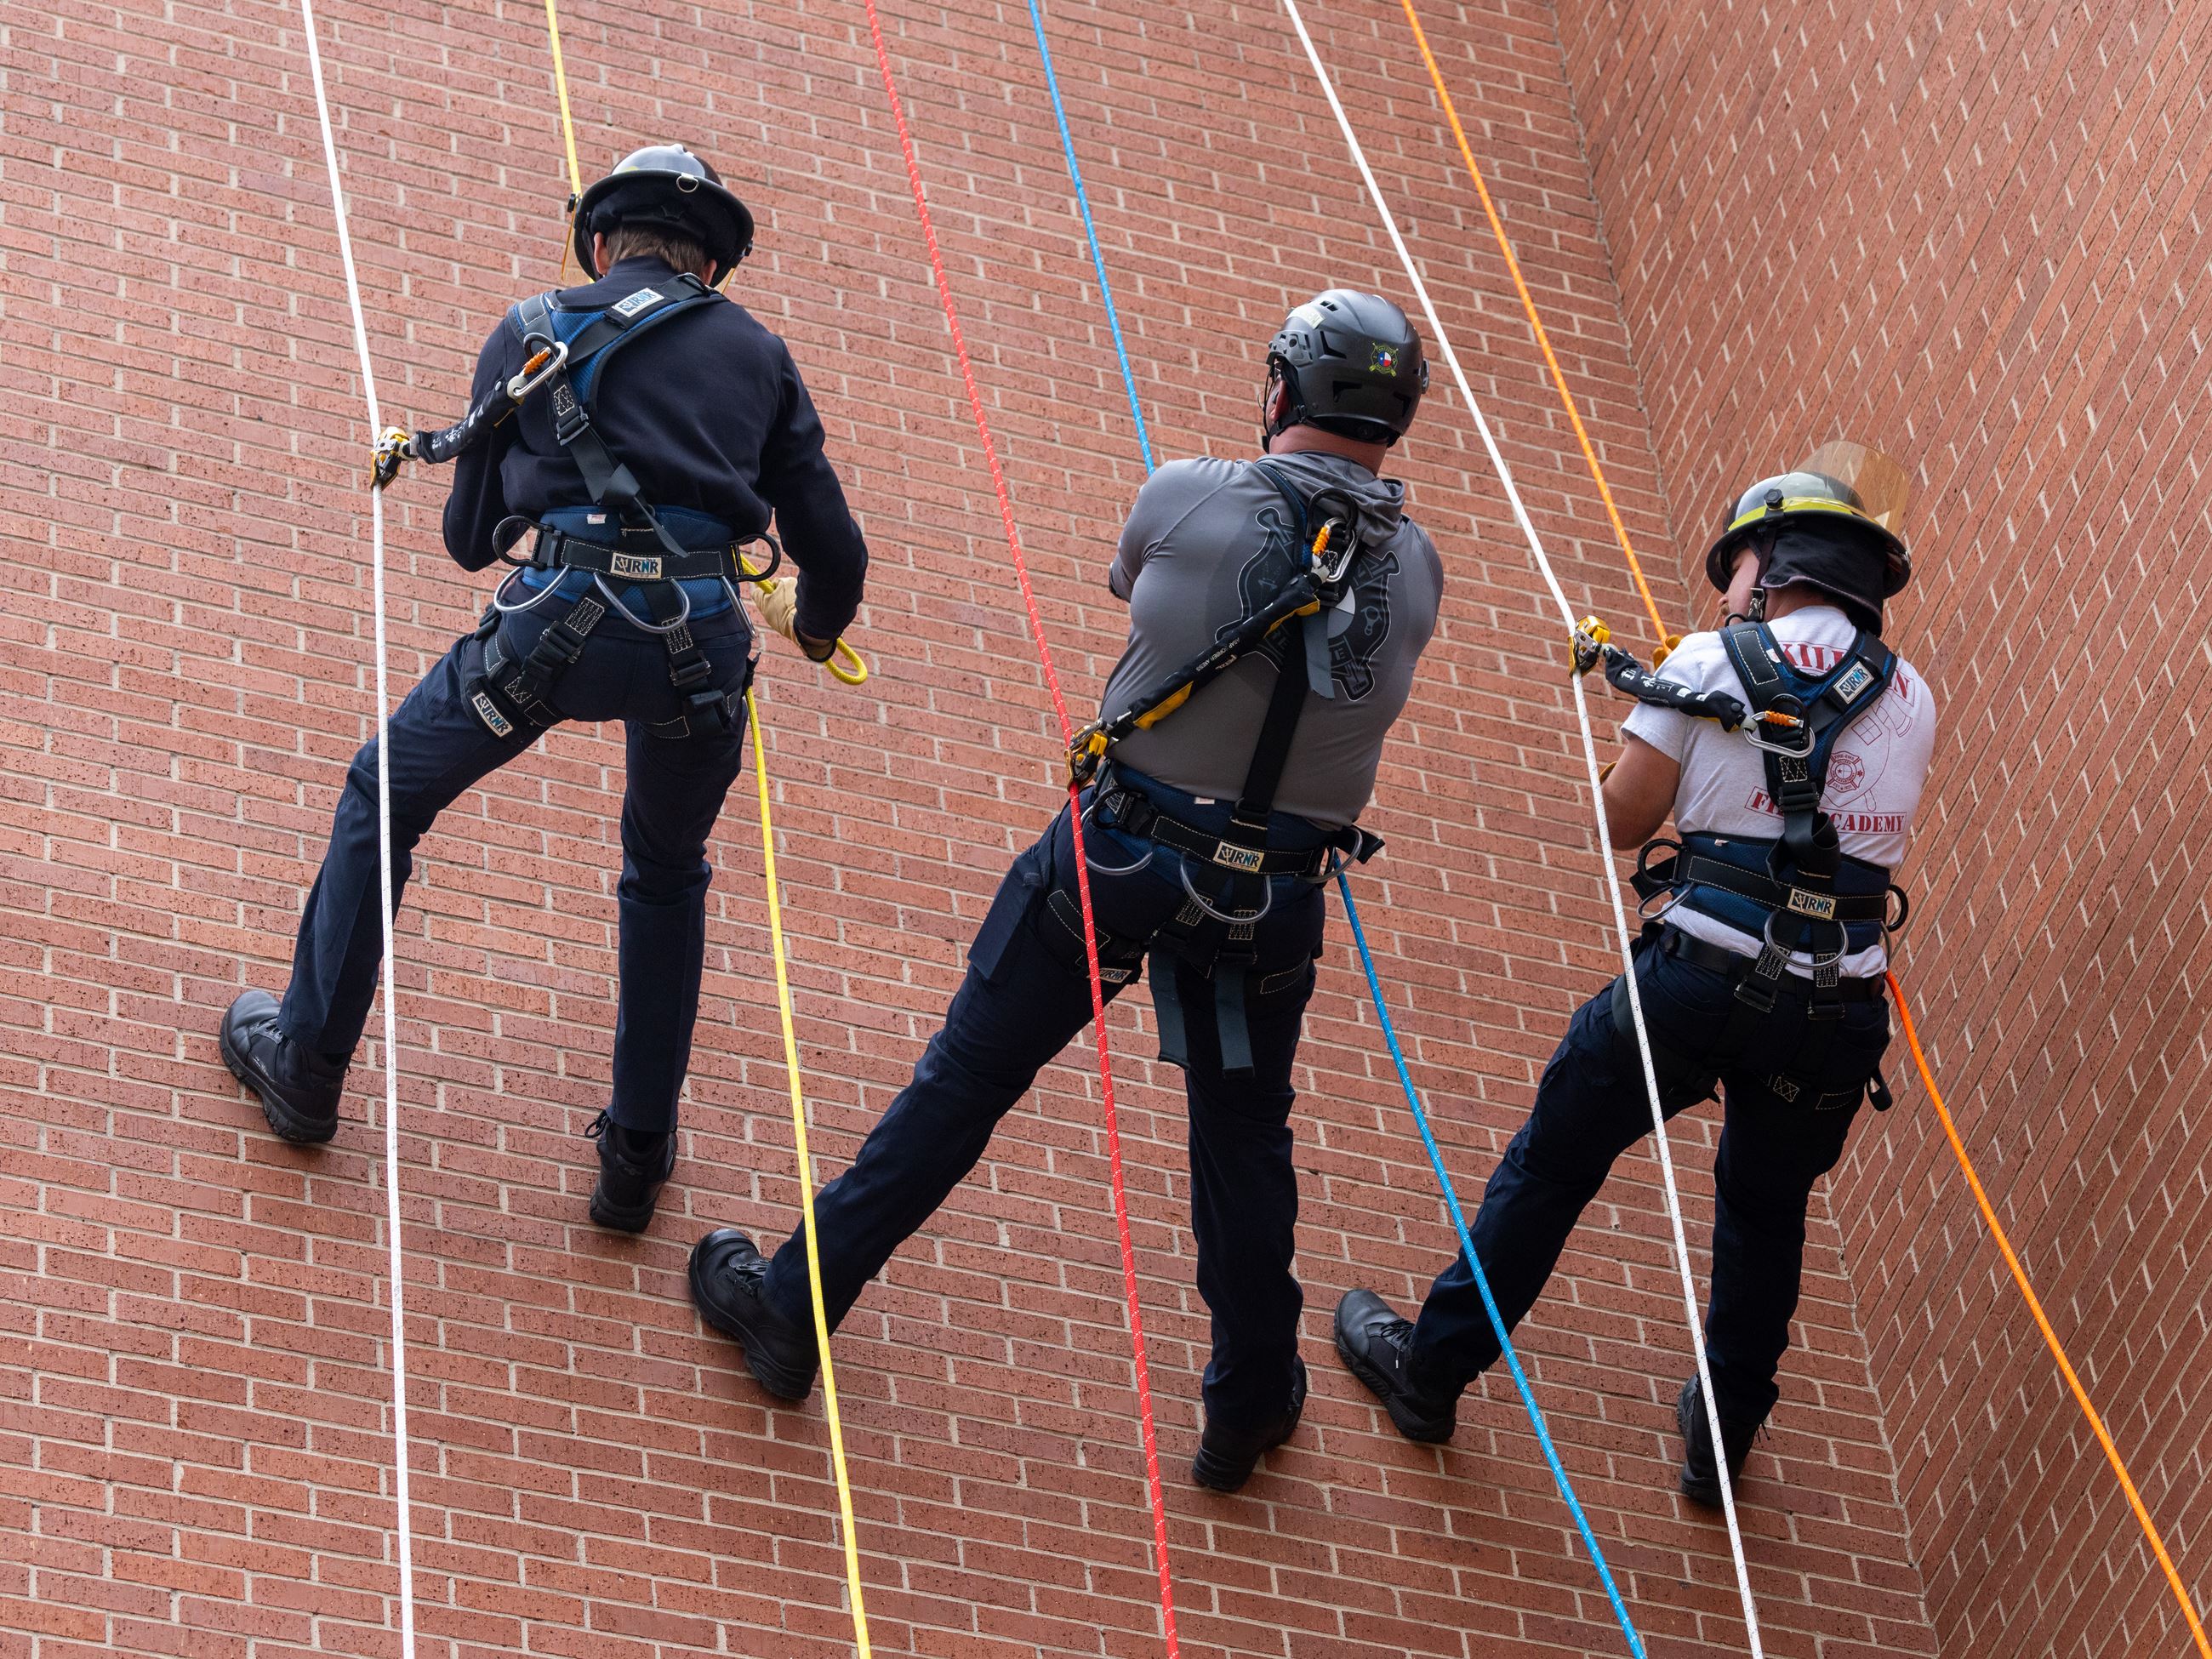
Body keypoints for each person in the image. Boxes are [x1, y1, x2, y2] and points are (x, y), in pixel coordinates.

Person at [686, 290, 1443, 1492]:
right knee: (1241, 1141)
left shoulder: (1192, 489)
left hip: (1122, 856)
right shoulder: (1420, 569)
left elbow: (1130, 582)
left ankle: (794, 1305)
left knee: (968, 1080)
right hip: (1270, 898)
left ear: (1281, 392)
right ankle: (1249, 1402)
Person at [219, 144, 868, 1234]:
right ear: (709, 266)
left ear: (602, 243)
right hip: (700, 651)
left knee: (388, 792)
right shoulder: (760, 358)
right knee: (664, 877)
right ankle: (634, 1162)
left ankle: (307, 1067)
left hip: (551, 633)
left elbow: (470, 541)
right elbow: (835, 552)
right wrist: (809, 627)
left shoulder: (534, 328)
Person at [1334, 447, 1936, 1507]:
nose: (1723, 589)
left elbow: (1623, 821)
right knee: (1766, 1216)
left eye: (1735, 566)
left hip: (1697, 977)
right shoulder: (1910, 695)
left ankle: (1429, 1372)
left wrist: (1636, 716)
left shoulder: (1706, 661)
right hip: (1834, 1009)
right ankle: (1721, 1442)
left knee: (1551, 1164)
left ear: (1768, 559)